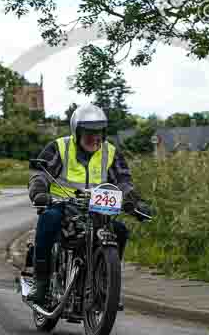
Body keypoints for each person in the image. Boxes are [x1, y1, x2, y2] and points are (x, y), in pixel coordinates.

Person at [27, 104, 153, 306]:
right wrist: (39, 192)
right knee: (48, 220)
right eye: (89, 133)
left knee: (119, 231)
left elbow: (123, 182)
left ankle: (105, 285)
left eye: (99, 133)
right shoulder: (60, 147)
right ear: (77, 131)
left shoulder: (110, 153)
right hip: (63, 206)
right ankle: (40, 284)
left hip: (96, 210)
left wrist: (135, 203)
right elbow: (41, 174)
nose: (95, 138)